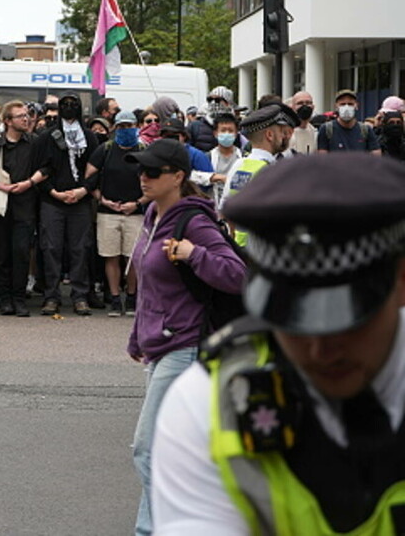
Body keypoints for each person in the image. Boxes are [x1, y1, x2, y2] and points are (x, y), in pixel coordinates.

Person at [151, 153, 405, 535]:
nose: (321, 348)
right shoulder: (207, 404)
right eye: (293, 322)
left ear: (401, 280)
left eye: (347, 320)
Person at [124, 138, 246, 536]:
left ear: (178, 176)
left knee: (147, 450)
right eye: (140, 170)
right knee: (164, 450)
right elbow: (150, 286)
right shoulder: (152, 215)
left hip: (185, 345)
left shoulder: (194, 221)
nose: (143, 177)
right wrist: (137, 335)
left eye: (152, 172)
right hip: (158, 345)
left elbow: (238, 275)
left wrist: (194, 253)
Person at [33, 93, 99, 316]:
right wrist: (54, 192)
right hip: (52, 200)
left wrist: (82, 191)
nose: (69, 108)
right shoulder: (47, 137)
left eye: (74, 105)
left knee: (80, 248)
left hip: (80, 201)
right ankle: (51, 295)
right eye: (65, 105)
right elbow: (40, 169)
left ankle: (80, 295)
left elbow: (96, 170)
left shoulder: (89, 137)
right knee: (51, 248)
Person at [0, 100, 44, 317]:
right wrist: (0, 186)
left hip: (24, 204)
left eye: (27, 115)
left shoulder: (35, 142)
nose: (26, 119)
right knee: (0, 254)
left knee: (22, 253)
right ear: (7, 121)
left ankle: (19, 298)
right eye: (20, 116)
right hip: (0, 204)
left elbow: (46, 167)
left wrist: (29, 183)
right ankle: (4, 298)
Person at [84, 109, 146, 317]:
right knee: (110, 256)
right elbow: (89, 178)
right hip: (107, 212)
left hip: (135, 213)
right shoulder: (105, 150)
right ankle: (114, 297)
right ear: (114, 128)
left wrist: (138, 203)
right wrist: (104, 201)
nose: (125, 130)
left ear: (136, 127)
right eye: (121, 126)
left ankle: (131, 296)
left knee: (133, 257)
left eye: (129, 126)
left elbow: (155, 184)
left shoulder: (144, 150)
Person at [221, 105, 296, 245]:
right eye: (281, 132)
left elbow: (226, 209)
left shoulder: (239, 165)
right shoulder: (271, 171)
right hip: (263, 251)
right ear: (269, 135)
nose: (283, 137)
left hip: (240, 247)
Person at [317, 89, 380, 154]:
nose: (346, 107)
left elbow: (376, 156)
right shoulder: (326, 129)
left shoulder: (366, 130)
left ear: (356, 105)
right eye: (342, 104)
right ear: (336, 106)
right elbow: (322, 158)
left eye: (350, 104)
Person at [205, 113, 242, 209]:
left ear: (236, 133)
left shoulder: (243, 157)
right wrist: (215, 177)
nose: (227, 134)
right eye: (223, 130)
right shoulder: (208, 157)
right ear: (215, 133)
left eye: (230, 131)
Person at [189, 86, 235, 152]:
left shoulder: (234, 125)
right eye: (210, 99)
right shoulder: (195, 126)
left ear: (227, 103)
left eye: (217, 100)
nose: (213, 103)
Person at [288, 90, 317, 155]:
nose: (305, 106)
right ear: (292, 107)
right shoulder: (285, 133)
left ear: (313, 107)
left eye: (308, 103)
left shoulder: (314, 132)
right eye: (300, 103)